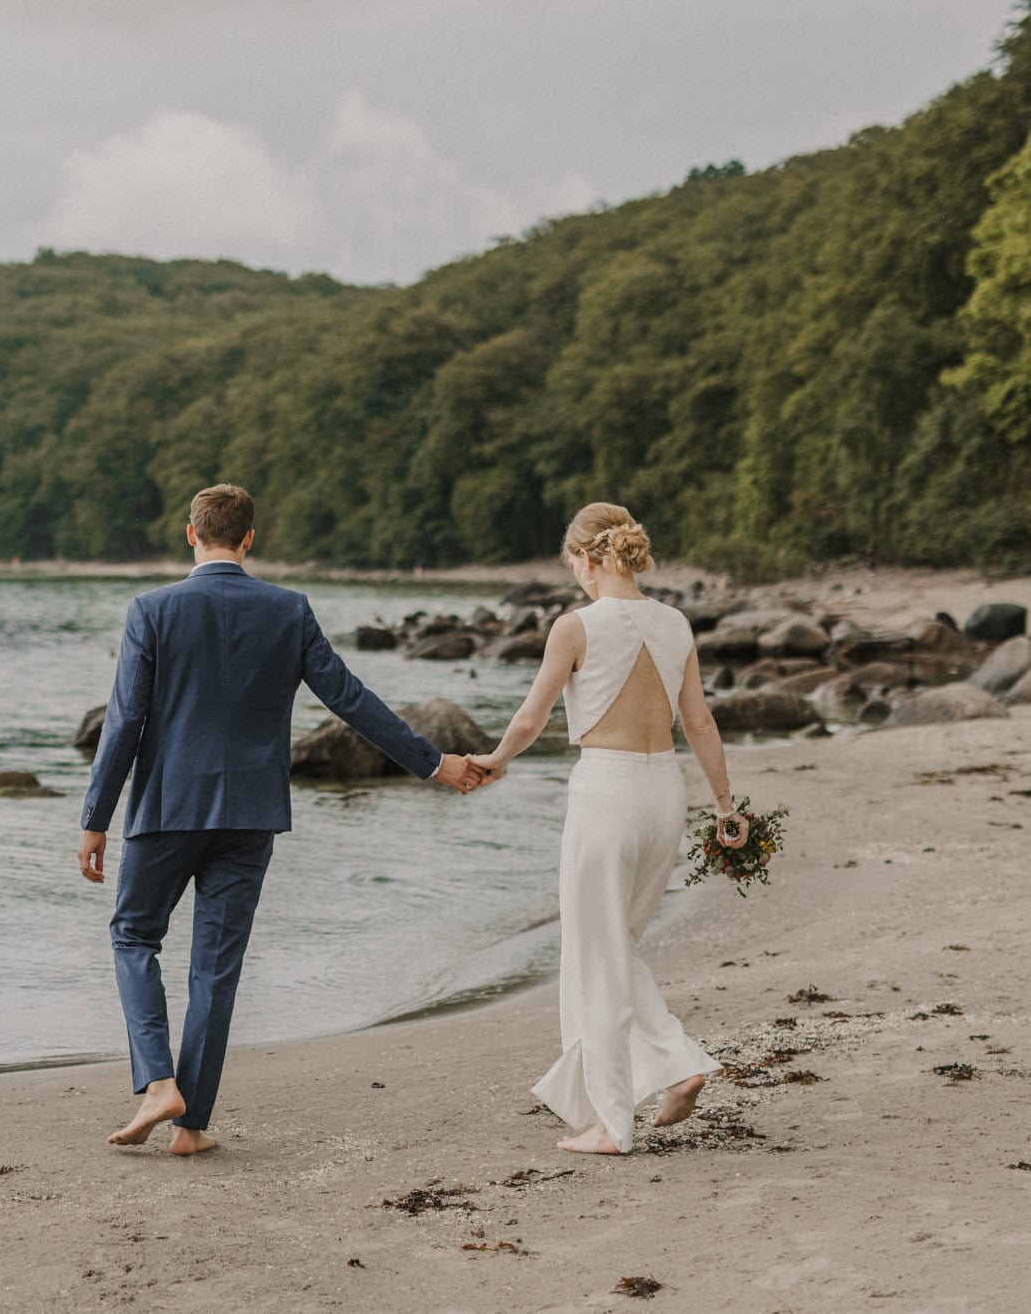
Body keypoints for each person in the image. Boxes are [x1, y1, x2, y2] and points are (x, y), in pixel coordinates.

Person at [76, 483, 486, 1155]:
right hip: (251, 815)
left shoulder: (151, 610)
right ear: (248, 538)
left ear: (190, 534)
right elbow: (351, 700)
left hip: (167, 809)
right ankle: (191, 1124)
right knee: (216, 967)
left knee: (132, 935)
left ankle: (157, 1080)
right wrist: (432, 762)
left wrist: (96, 815)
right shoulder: (287, 610)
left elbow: (125, 721)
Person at [469, 502, 744, 1154]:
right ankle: (672, 1064)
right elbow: (700, 722)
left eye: (572, 563)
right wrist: (727, 805)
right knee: (614, 947)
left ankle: (616, 1119)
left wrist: (495, 760)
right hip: (666, 794)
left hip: (607, 794)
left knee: (598, 955)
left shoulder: (576, 626)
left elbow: (533, 719)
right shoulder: (676, 623)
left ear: (586, 558)